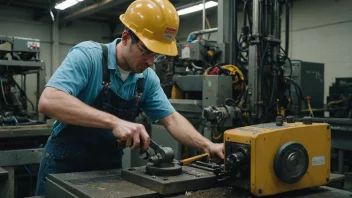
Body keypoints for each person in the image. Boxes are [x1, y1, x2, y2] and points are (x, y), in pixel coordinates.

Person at [35, 0, 224, 195]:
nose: (151, 61)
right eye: (146, 51)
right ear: (126, 37)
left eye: (157, 55)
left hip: (109, 168)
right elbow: (49, 100)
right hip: (65, 164)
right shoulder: (88, 57)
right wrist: (114, 122)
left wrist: (207, 145)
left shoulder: (147, 79)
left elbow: (172, 119)